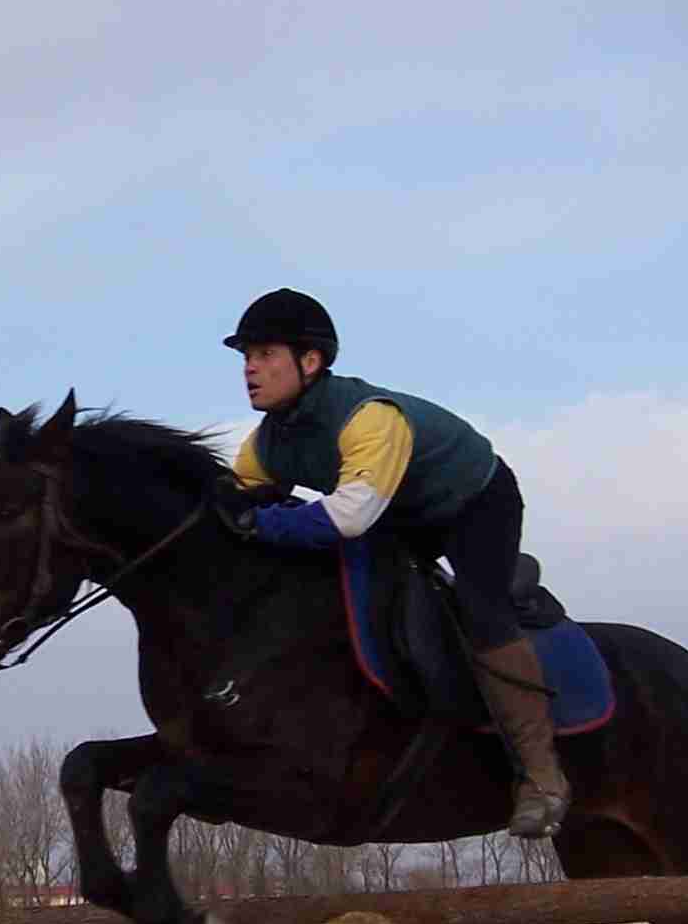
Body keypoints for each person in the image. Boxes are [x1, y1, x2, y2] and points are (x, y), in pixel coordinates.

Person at [211, 287, 570, 837]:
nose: (250, 369)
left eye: (263, 355)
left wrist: (264, 523)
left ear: (309, 362)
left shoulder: (369, 418)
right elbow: (236, 505)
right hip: (396, 510)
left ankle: (543, 778)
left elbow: (349, 517)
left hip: (472, 502)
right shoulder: (266, 443)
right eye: (246, 357)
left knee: (481, 613)